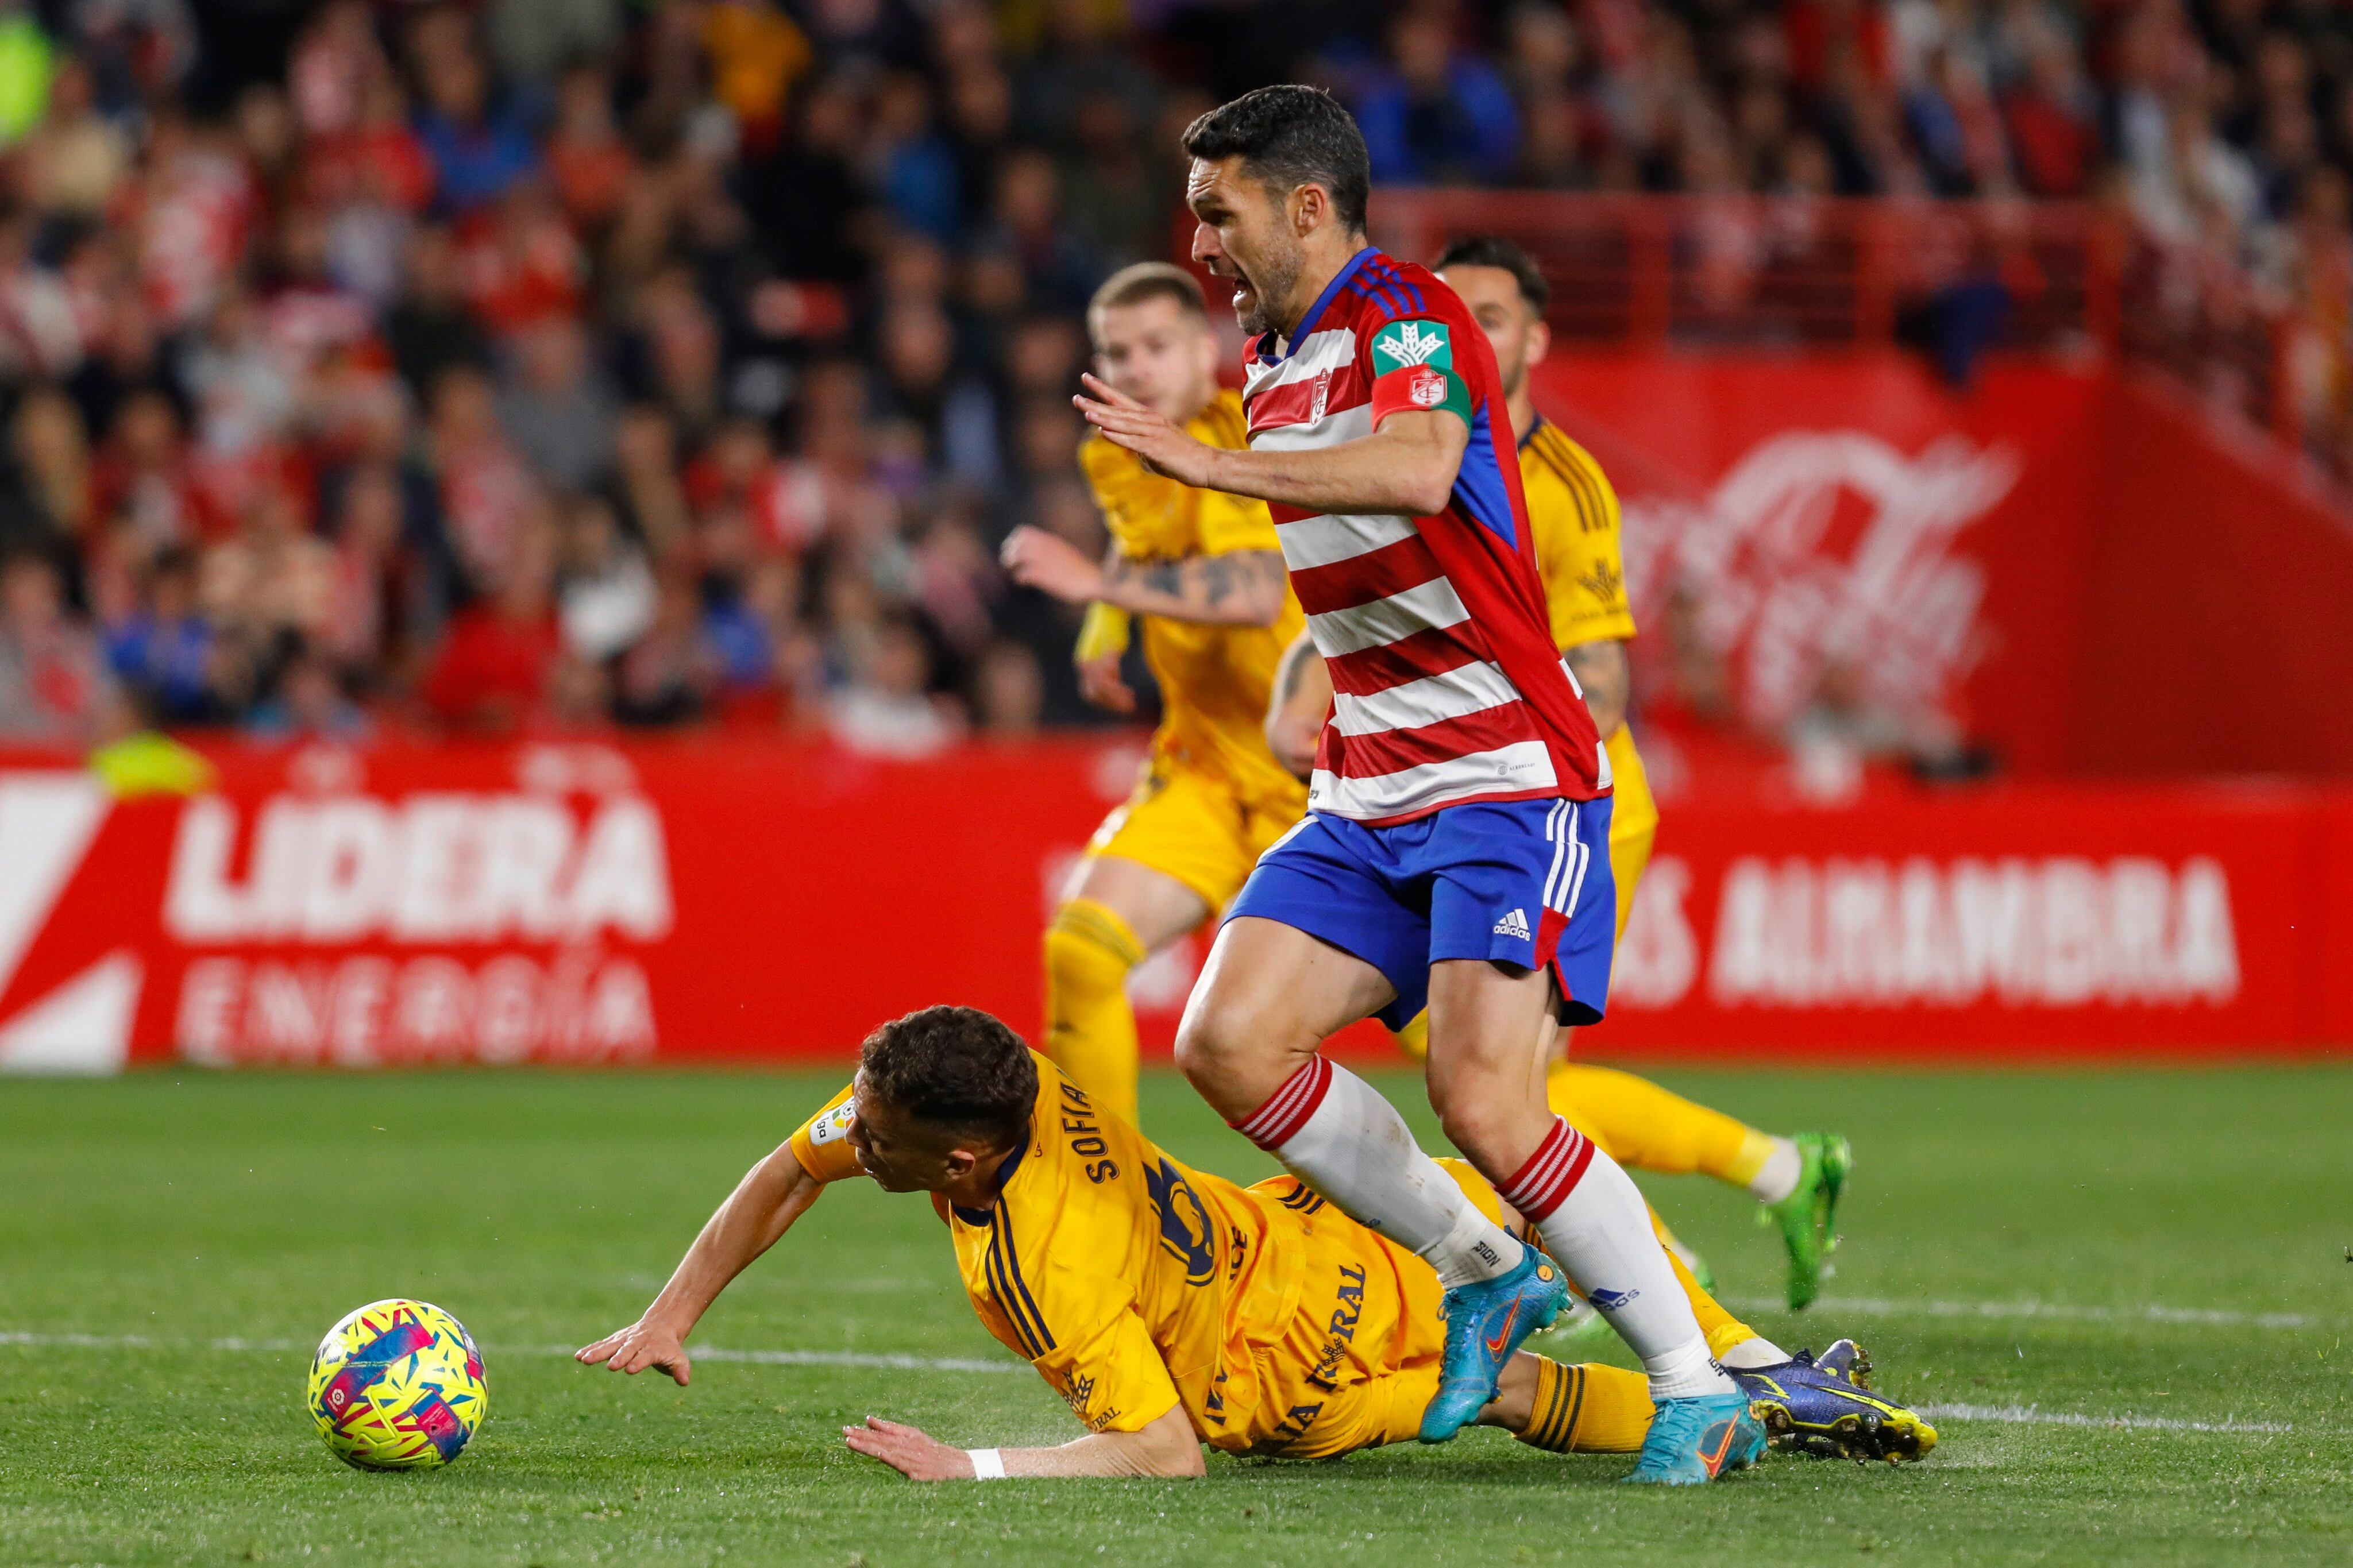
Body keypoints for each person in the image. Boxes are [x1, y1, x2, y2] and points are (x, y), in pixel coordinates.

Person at [1071, 84, 1753, 1480]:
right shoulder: (1271, 359)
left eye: (1219, 211)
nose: (1199, 243)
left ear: (1304, 204)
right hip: (1368, 783)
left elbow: (1426, 468)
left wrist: (1212, 461)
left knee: (1488, 1105)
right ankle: (1481, 1269)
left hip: (1508, 769)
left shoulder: (1405, 315)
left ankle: (1694, 1382)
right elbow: (1333, 577)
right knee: (1224, 1040)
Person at [576, 1005, 1935, 1479]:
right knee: (1521, 1194)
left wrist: (972, 1466)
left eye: (876, 1136)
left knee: (1518, 1388)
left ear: (963, 1160)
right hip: (1312, 1231)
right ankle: (1763, 1375)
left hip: (1282, 1377)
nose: (849, 1145)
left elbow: (1158, 1450)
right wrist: (674, 1313)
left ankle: (1759, 1409)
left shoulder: (1042, 1265)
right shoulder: (1004, 1081)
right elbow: (787, 1167)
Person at [1264, 235, 1853, 1315]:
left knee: (1501, 1090)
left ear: (1534, 338)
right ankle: (1753, 1188)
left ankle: (1666, 1278)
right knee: (1497, 1085)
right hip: (1439, 783)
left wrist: (1486, 748)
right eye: (1456, 310)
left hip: (1550, 791)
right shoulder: (1385, 426)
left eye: (1492, 316)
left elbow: (1604, 681)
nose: (1466, 332)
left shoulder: (1562, 486)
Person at [999, 262, 1303, 1127]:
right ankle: (1111, 1206)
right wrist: (1109, 623)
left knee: (1462, 1059)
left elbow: (1252, 595)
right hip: (1205, 768)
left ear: (1205, 350)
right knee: (1082, 951)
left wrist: (1094, 585)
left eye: (1158, 347)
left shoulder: (1246, 436)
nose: (1136, 368)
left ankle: (1622, 1230)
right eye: (1117, 351)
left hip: (1324, 783)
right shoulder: (1112, 451)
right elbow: (1149, 541)